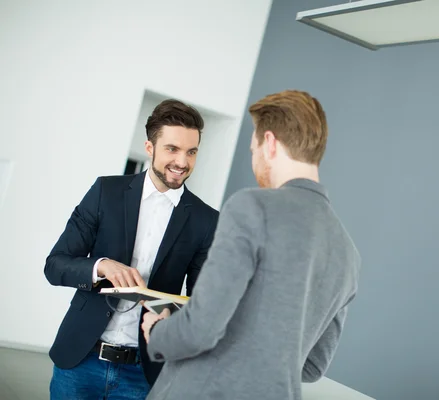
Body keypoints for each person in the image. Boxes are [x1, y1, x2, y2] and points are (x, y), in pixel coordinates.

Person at [141, 90, 361, 400]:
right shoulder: (348, 252)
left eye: (253, 149)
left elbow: (199, 331)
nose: (255, 160)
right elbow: (312, 366)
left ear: (269, 143)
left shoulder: (252, 206)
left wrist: (158, 331)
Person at [44, 99, 219, 399]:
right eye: (172, 149)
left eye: (191, 152)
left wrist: (173, 315)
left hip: (144, 373)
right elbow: (55, 265)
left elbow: (200, 302)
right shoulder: (105, 192)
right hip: (79, 361)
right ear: (150, 148)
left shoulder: (206, 220)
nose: (182, 162)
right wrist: (101, 266)